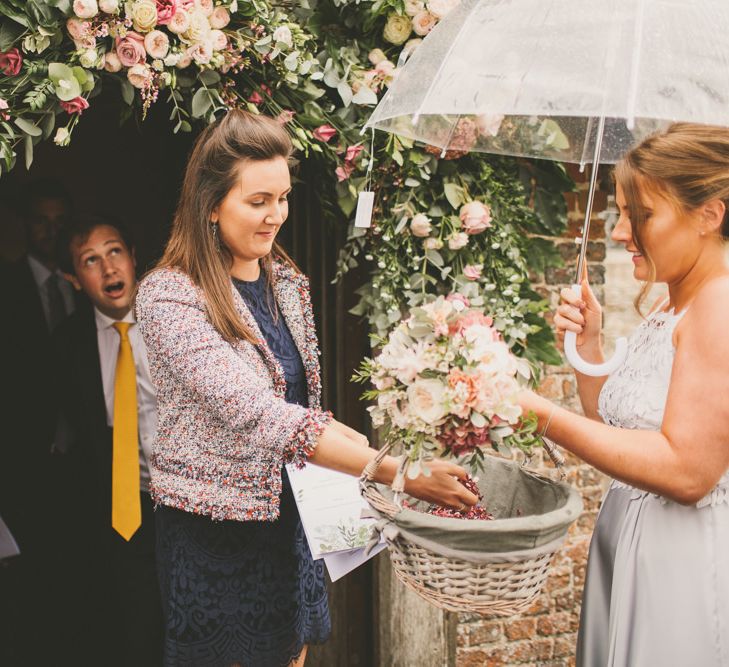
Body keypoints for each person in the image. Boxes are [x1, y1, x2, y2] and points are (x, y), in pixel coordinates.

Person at [134, 109, 478, 667]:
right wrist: (402, 476)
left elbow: (304, 409)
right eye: (257, 201)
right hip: (216, 539)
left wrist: (384, 457)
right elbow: (260, 415)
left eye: (283, 198)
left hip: (290, 528)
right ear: (211, 203)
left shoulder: (286, 283)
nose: (275, 216)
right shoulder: (170, 298)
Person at [518, 123, 729, 666]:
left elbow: (687, 471)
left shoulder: (720, 306)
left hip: (679, 562)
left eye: (641, 216)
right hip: (629, 544)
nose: (620, 233)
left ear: (710, 214)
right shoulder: (674, 303)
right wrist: (589, 345)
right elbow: (625, 434)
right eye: (619, 214)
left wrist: (539, 414)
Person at [52, 214, 163, 665]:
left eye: (115, 251)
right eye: (90, 260)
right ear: (73, 279)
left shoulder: (172, 324)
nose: (108, 269)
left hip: (188, 500)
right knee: (135, 630)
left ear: (134, 258)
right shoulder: (67, 344)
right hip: (122, 512)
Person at [0, 179, 76, 666]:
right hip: (19, 455)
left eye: (57, 222)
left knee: (72, 569)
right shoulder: (4, 285)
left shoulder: (82, 285)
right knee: (21, 574)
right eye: (39, 221)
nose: (48, 232)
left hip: (79, 459)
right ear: (25, 224)